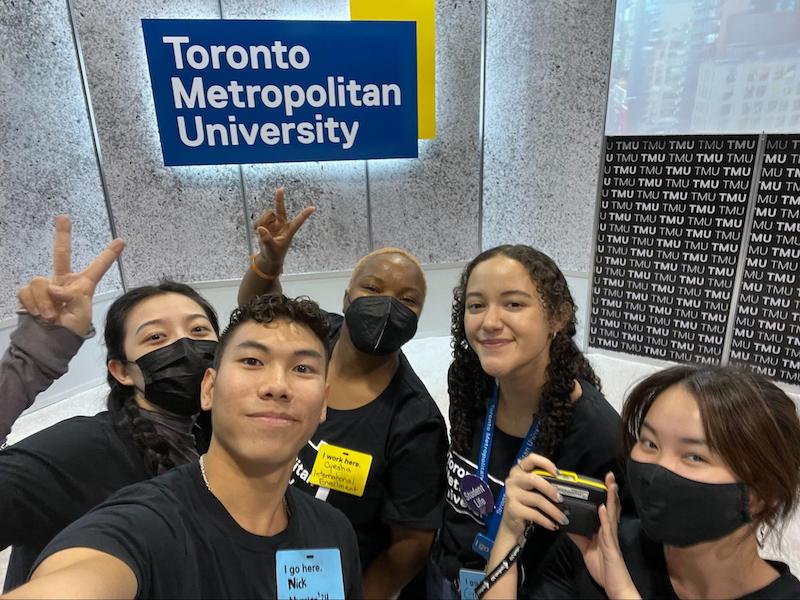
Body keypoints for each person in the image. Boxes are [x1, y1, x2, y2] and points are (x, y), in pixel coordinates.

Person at [3, 294, 362, 599]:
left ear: (324, 403)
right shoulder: (140, 523)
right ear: (209, 388)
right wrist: (29, 361)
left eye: (302, 368)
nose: (277, 385)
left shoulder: (332, 531)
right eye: (252, 361)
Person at [238, 188, 448, 598]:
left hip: (334, 578)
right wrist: (269, 263)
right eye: (373, 288)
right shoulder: (319, 334)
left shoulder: (414, 421)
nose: (388, 305)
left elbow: (410, 548)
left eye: (408, 300)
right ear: (347, 297)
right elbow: (259, 311)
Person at [0, 217, 221, 591]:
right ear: (121, 371)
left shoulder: (220, 436)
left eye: (199, 330)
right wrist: (32, 360)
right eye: (155, 337)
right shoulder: (78, 451)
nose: (185, 346)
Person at [487, 366, 800, 599]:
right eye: (649, 444)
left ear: (761, 494)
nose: (657, 468)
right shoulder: (597, 546)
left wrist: (621, 589)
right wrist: (509, 532)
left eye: (694, 456)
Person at [428, 244, 622, 599]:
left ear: (558, 316)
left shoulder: (598, 433)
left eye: (513, 304)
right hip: (447, 580)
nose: (489, 322)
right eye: (476, 305)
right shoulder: (469, 383)